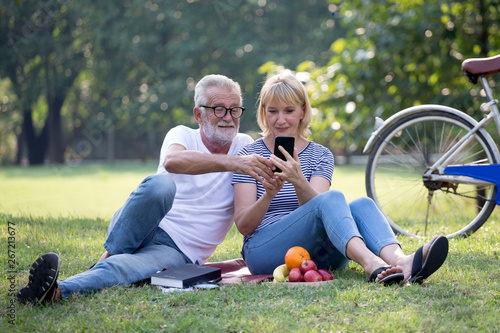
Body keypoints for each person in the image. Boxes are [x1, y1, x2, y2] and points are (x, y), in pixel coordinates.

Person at [17, 74, 275, 304]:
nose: (229, 118)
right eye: (219, 109)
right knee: (160, 184)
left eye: (234, 110)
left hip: (178, 250)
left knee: (124, 268)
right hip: (141, 223)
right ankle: (108, 255)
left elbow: (248, 210)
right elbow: (173, 162)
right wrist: (235, 162)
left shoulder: (244, 145)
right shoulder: (183, 134)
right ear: (199, 114)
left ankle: (54, 291)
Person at [232, 71, 449, 285]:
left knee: (362, 204)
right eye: (273, 111)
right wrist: (269, 194)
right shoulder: (248, 157)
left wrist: (298, 180)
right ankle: (372, 263)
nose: (280, 119)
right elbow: (244, 226)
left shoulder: (321, 155)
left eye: (289, 110)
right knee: (331, 198)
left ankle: (403, 261)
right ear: (264, 112)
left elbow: (319, 213)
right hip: (264, 253)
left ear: (302, 111)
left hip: (315, 256)